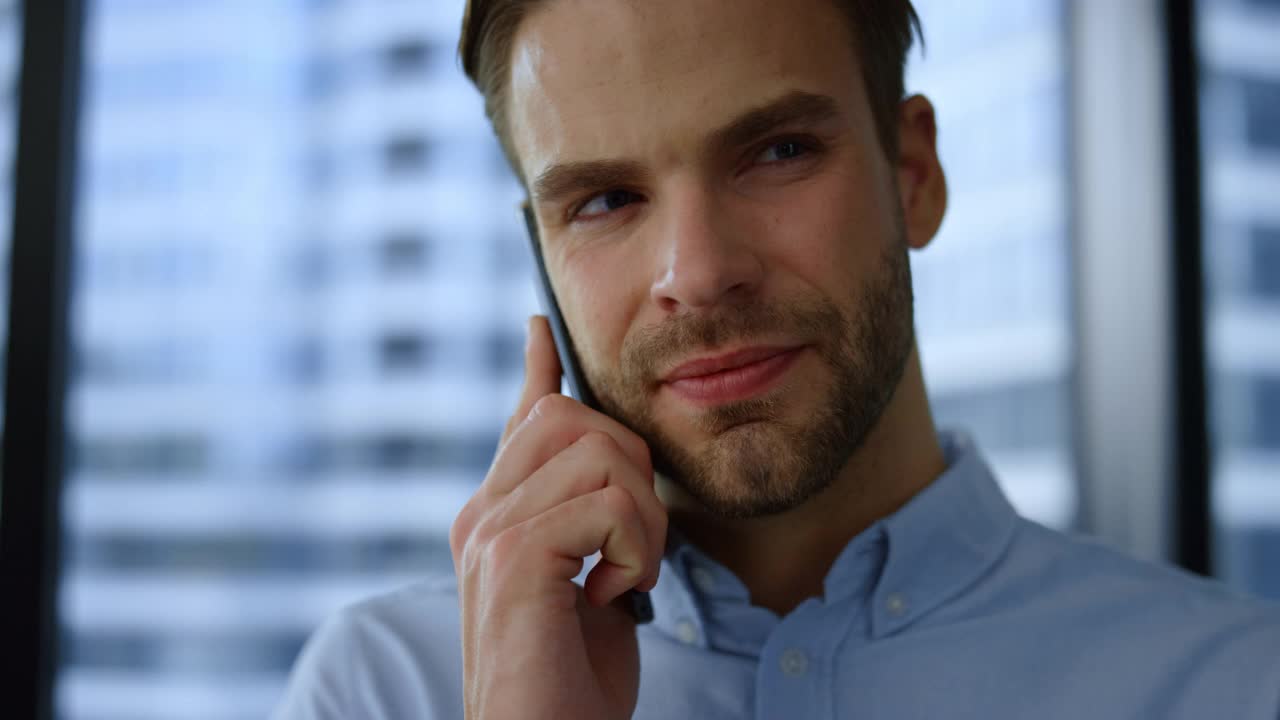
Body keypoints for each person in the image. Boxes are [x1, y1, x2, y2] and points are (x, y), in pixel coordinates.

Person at [273, 0, 1280, 717]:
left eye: (777, 151)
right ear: (541, 254)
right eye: (604, 201)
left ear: (912, 172)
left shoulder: (1238, 686)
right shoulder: (379, 690)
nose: (698, 273)